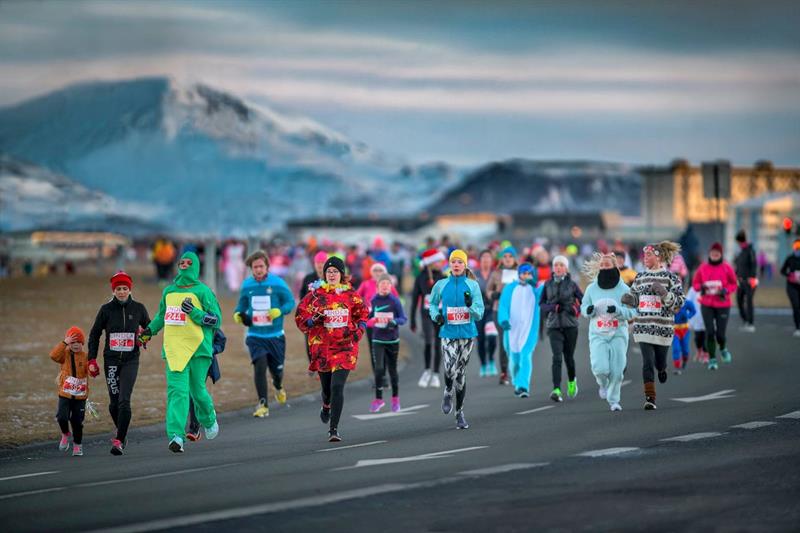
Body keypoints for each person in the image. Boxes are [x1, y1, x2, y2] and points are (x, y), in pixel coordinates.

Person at [139, 252, 222, 453]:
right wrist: (148, 331)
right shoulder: (168, 292)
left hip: (198, 349)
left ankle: (209, 419)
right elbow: (161, 316)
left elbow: (216, 320)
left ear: (195, 266)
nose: (184, 265)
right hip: (174, 349)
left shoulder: (203, 292)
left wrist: (194, 312)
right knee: (177, 392)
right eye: (181, 262)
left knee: (197, 392)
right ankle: (176, 436)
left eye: (188, 262)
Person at [295, 256, 369, 442]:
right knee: (327, 389)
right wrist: (313, 320)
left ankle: (333, 429)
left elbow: (363, 314)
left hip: (345, 347)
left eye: (335, 271)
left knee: (337, 386)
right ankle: (326, 405)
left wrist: (359, 331)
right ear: (324, 274)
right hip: (323, 349)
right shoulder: (315, 295)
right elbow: (300, 316)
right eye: (329, 271)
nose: (332, 274)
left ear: (341, 274)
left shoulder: (351, 295)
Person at [87, 271, 151, 455]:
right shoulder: (106, 310)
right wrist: (92, 358)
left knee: (124, 401)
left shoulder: (138, 308)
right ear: (113, 291)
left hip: (131, 360)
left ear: (130, 290)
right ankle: (122, 432)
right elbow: (94, 334)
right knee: (113, 404)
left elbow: (150, 327)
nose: (122, 292)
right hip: (112, 360)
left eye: (125, 288)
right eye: (118, 289)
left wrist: (143, 338)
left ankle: (119, 440)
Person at [621, 241, 685, 410]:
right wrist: (630, 300)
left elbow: (678, 304)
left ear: (659, 257)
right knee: (647, 362)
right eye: (644, 255)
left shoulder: (671, 278)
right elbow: (635, 299)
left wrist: (664, 294)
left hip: (663, 328)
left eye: (649, 255)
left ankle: (662, 368)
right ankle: (650, 398)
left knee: (659, 362)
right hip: (643, 327)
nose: (645, 258)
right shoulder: (640, 277)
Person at [233, 250, 296, 417]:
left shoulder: (278, 283)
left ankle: (278, 385)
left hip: (275, 335)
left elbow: (290, 302)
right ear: (251, 269)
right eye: (255, 267)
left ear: (267, 266)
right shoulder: (247, 285)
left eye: (261, 266)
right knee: (259, 366)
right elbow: (241, 305)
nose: (258, 270)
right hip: (255, 335)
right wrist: (237, 314)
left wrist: (279, 311)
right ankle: (263, 404)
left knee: (277, 371)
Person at [429, 249, 485, 429]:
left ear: (465, 265)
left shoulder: (473, 286)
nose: (456, 265)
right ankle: (447, 391)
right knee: (449, 369)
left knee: (460, 374)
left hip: (468, 334)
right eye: (453, 262)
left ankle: (459, 412)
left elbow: (479, 313)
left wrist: (470, 307)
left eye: (460, 262)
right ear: (449, 265)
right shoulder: (441, 285)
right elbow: (432, 304)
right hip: (448, 333)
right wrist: (436, 316)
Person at [581, 254, 637, 411]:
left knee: (617, 371)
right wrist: (588, 310)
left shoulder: (624, 289)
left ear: (614, 267)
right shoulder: (592, 288)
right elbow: (584, 307)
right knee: (600, 368)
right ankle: (603, 384)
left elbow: (633, 312)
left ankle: (614, 401)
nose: (604, 268)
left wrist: (618, 310)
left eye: (607, 265)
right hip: (597, 333)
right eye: (602, 266)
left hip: (618, 334)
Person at [540, 255, 583, 402]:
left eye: (561, 265)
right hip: (554, 326)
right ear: (553, 268)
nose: (558, 268)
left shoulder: (572, 284)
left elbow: (583, 301)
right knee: (556, 357)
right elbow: (542, 304)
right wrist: (553, 307)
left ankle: (572, 381)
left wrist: (575, 310)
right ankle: (556, 389)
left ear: (566, 268)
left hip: (570, 325)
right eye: (556, 265)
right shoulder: (547, 284)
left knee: (568, 357)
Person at [497, 263, 543, 398]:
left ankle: (523, 386)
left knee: (526, 356)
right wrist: (504, 320)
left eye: (529, 273)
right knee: (515, 360)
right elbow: (503, 305)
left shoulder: (536, 290)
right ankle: (517, 381)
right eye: (524, 273)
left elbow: (545, 293)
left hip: (528, 330)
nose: (526, 276)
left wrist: (536, 285)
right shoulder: (509, 288)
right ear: (519, 274)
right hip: (512, 330)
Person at [691, 242, 738, 370]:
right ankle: (712, 359)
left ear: (721, 254)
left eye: (717, 254)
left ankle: (723, 348)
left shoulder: (727, 268)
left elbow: (734, 284)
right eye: (712, 254)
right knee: (710, 332)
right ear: (709, 254)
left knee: (720, 335)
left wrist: (726, 290)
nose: (714, 256)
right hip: (706, 304)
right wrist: (701, 287)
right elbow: (695, 284)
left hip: (723, 304)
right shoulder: (703, 268)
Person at [367, 274, 407, 412]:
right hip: (377, 339)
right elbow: (367, 319)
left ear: (391, 286)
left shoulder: (395, 301)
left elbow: (403, 318)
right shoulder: (373, 301)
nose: (385, 286)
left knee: (392, 370)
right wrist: (371, 322)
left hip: (392, 340)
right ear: (377, 287)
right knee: (378, 369)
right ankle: (378, 399)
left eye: (387, 284)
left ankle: (395, 399)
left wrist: (394, 322)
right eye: (382, 284)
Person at [51, 327, 94, 456]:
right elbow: (53, 356)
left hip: (80, 396)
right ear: (69, 343)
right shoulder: (64, 354)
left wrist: (93, 369)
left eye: (78, 343)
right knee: (61, 417)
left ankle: (77, 445)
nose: (76, 345)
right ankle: (65, 433)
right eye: (72, 343)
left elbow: (91, 371)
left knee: (77, 422)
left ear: (82, 344)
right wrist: (64, 342)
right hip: (65, 393)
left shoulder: (86, 356)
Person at [409, 248, 447, 388]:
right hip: (426, 315)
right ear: (431, 262)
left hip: (440, 315)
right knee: (428, 342)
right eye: (438, 261)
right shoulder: (420, 277)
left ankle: (436, 374)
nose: (440, 263)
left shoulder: (443, 277)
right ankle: (426, 371)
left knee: (438, 343)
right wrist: (412, 321)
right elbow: (414, 300)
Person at [486, 246, 520, 385]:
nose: (507, 259)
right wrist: (493, 294)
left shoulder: (520, 272)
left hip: (516, 311)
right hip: (499, 310)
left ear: (514, 258)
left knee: (516, 341)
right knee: (504, 340)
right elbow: (488, 290)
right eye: (504, 256)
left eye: (510, 256)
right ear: (501, 259)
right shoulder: (496, 273)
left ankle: (516, 369)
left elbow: (529, 288)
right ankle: (504, 372)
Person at [186, 329, 227, 441]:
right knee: (185, 392)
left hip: (202, 362)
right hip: (184, 361)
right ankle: (186, 429)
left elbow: (221, 341)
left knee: (194, 392)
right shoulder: (182, 321)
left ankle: (194, 428)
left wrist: (211, 349)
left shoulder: (205, 320)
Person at [474, 250, 498, 377]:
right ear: (480, 260)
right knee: (481, 339)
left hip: (491, 309)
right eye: (483, 258)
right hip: (478, 311)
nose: (486, 260)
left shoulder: (495, 274)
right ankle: (483, 364)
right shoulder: (474, 274)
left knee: (492, 336)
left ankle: (492, 360)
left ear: (492, 260)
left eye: (488, 258)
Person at [734, 230, 758, 332]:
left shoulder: (750, 251)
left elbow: (754, 265)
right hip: (740, 281)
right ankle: (745, 321)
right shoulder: (740, 252)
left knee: (749, 301)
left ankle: (751, 323)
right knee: (739, 301)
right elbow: (738, 267)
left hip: (750, 281)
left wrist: (752, 277)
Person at [780, 238, 800, 337]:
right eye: (796, 246)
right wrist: (789, 275)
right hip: (792, 286)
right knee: (796, 306)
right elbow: (782, 270)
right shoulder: (790, 258)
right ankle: (798, 328)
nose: (798, 249)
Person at [671, 297, 696, 374]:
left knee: (685, 350)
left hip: (684, 329)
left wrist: (688, 316)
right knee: (676, 348)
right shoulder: (670, 301)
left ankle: (685, 359)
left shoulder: (686, 302)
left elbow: (693, 310)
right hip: (674, 330)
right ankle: (677, 367)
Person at [686, 286, 708, 363]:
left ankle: (706, 354)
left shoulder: (710, 287)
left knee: (707, 336)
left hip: (708, 316)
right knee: (698, 337)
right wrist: (688, 316)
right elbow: (688, 301)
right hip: (697, 318)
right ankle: (699, 351)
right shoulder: (693, 289)